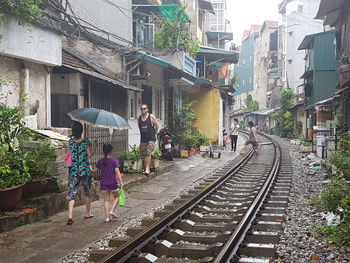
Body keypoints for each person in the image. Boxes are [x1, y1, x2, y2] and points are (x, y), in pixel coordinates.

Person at [66, 121, 96, 225]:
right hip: (85, 171)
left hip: (74, 170)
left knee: (72, 192)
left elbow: (70, 154)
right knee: (87, 192)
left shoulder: (71, 142)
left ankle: (70, 215)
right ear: (82, 131)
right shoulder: (86, 142)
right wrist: (94, 147)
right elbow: (90, 155)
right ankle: (87, 213)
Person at [93, 144, 123, 222]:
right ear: (111, 151)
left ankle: (107, 218)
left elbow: (95, 170)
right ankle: (112, 211)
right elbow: (117, 172)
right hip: (113, 182)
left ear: (103, 151)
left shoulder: (100, 161)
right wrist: (121, 182)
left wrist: (89, 169)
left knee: (106, 200)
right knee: (117, 197)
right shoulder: (114, 161)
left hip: (104, 183)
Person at [138, 104, 159, 176]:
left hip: (151, 138)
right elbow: (139, 127)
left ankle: (147, 169)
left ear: (147, 109)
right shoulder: (139, 118)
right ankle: (145, 168)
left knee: (148, 153)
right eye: (141, 109)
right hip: (143, 138)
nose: (143, 110)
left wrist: (154, 133)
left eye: (144, 108)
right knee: (143, 153)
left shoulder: (151, 116)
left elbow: (157, 126)